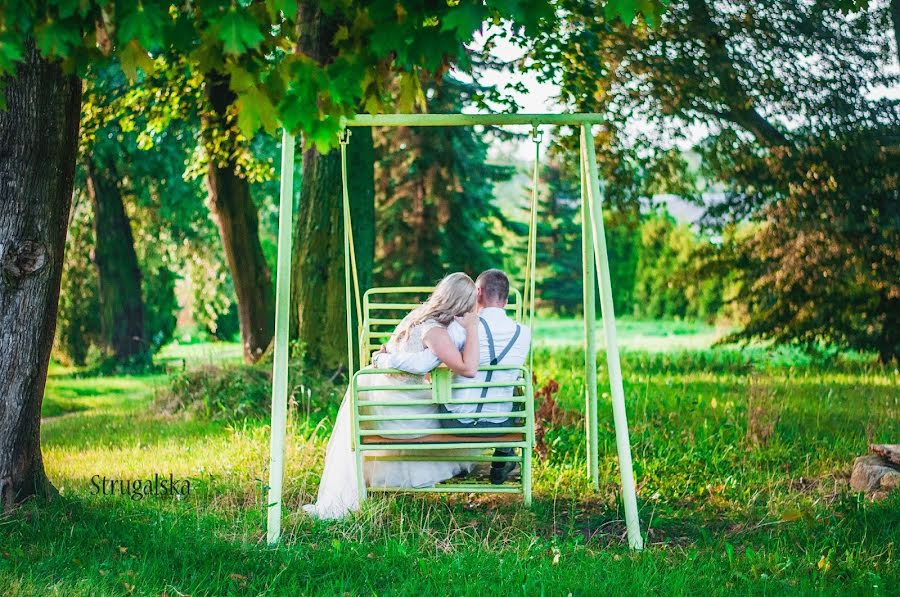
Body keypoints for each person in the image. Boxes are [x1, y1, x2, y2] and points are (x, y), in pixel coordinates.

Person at [302, 273, 481, 519]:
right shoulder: (436, 332)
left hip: (385, 403)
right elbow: (468, 368)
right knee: (457, 418)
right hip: (400, 415)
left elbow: (409, 360)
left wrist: (385, 358)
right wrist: (472, 328)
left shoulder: (417, 317)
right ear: (462, 304)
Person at [374, 269, 531, 484]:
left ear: (478, 292)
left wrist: (384, 359)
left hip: (457, 422)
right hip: (500, 423)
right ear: (506, 298)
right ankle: (504, 452)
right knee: (511, 387)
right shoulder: (524, 333)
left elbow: (432, 363)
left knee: (443, 391)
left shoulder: (459, 329)